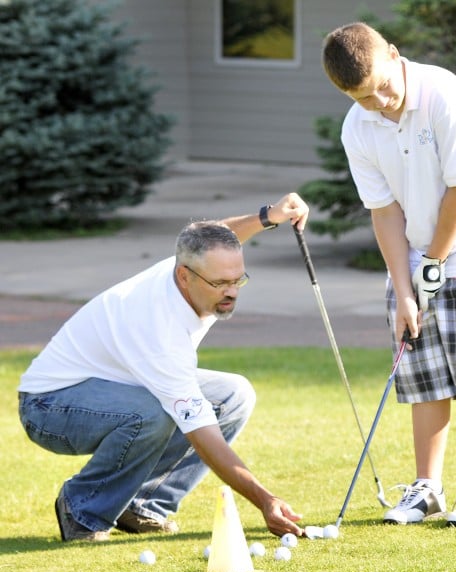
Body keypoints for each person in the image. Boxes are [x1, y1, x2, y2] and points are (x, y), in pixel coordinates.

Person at [321, 22, 456, 526]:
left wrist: (433, 262)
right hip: (416, 250)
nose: (380, 102)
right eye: (363, 97)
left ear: (394, 54)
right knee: (424, 370)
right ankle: (427, 489)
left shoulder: (446, 96)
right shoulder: (357, 127)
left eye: (383, 87)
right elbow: (385, 210)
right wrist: (405, 286)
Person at [18, 195, 308, 541]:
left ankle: (143, 504)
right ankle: (83, 508)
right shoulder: (159, 330)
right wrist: (265, 500)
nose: (231, 292)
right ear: (185, 276)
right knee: (152, 413)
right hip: (48, 407)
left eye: (238, 280)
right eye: (220, 284)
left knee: (233, 395)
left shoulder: (192, 262)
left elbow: (213, 237)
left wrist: (267, 217)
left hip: (114, 386)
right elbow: (203, 435)